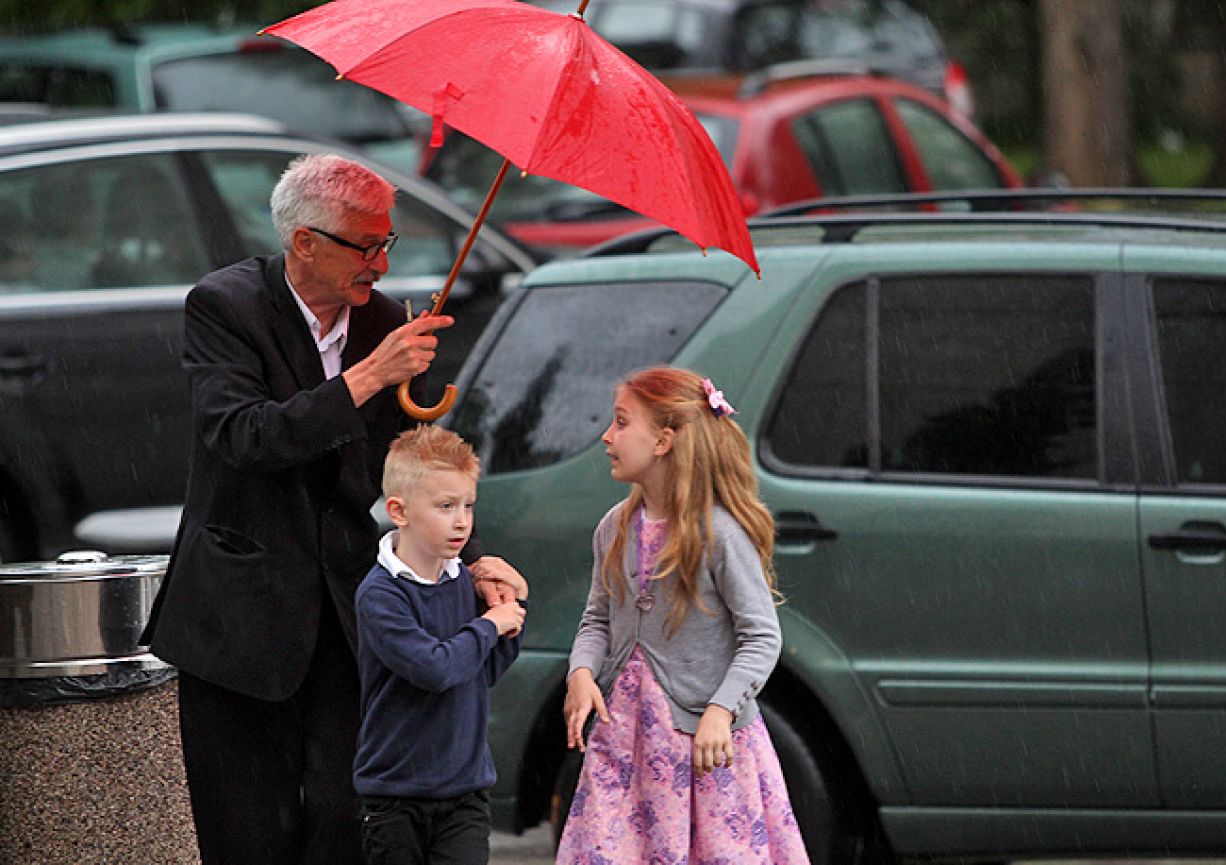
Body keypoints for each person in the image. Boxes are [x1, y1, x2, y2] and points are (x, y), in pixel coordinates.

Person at [142, 153, 521, 865]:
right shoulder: (226, 306)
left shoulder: (381, 321)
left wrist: (469, 557)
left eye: (387, 243)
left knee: (347, 820)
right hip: (240, 615)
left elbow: (406, 471)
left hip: (346, 614)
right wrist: (371, 374)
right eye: (365, 244)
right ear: (305, 241)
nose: (379, 263)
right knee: (248, 832)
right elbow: (245, 435)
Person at [558, 366, 810, 865]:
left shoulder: (720, 534)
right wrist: (581, 672)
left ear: (663, 441)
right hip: (625, 744)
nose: (607, 436)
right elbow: (597, 620)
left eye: (622, 423)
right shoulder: (615, 526)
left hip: (704, 747)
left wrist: (721, 711)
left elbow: (761, 637)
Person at [354, 424, 527, 865]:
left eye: (468, 505)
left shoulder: (464, 583)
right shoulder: (381, 593)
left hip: (465, 791)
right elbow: (435, 669)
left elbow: (483, 670)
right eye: (446, 506)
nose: (462, 520)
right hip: (394, 796)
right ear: (400, 510)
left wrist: (514, 607)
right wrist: (491, 624)